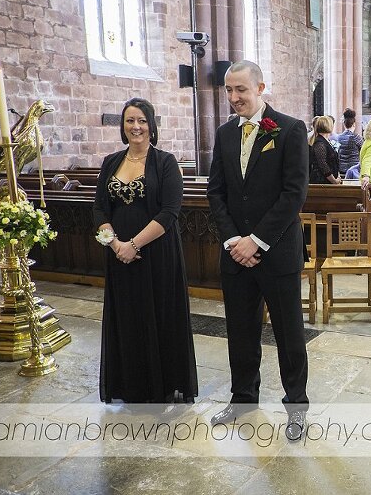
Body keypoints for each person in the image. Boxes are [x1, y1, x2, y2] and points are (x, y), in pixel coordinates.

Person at [206, 60, 309, 442]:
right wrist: (235, 240)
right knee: (240, 333)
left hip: (276, 253)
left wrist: (257, 240)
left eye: (241, 90)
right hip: (236, 255)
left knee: (289, 335)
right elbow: (216, 192)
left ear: (260, 88)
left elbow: (293, 194)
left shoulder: (290, 129)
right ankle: (243, 399)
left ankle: (296, 407)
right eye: (229, 90)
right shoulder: (224, 134)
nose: (234, 97)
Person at [93, 97, 198, 404]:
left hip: (156, 254)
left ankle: (161, 384)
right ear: (123, 126)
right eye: (130, 120)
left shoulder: (165, 162)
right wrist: (115, 244)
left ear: (151, 125)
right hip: (119, 256)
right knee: (128, 318)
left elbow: (170, 212)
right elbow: (99, 209)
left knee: (159, 316)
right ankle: (131, 385)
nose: (136, 126)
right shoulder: (111, 162)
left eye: (141, 120)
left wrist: (134, 244)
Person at [308, 116, 341, 184]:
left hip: (329, 181)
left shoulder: (326, 140)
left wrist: (338, 176)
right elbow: (323, 164)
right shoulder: (320, 143)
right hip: (321, 181)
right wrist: (334, 180)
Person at [337, 108, 363, 174]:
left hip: (341, 169)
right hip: (354, 170)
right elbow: (363, 150)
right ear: (354, 124)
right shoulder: (356, 137)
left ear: (344, 124)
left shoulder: (339, 137)